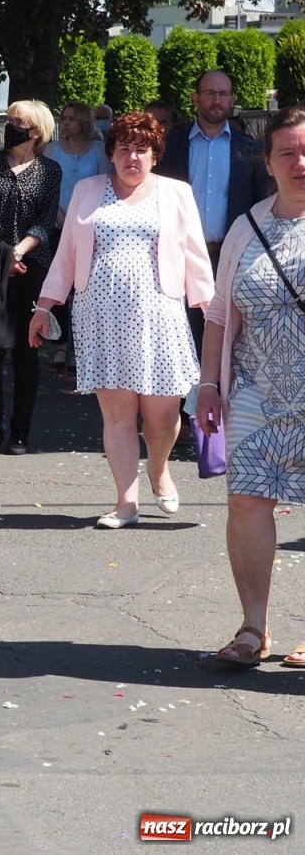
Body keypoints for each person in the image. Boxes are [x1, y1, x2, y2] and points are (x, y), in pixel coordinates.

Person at [31, 113, 211, 528]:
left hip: (160, 317)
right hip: (100, 317)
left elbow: (195, 257)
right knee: (117, 415)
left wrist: (212, 313)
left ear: (154, 155)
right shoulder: (87, 190)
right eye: (125, 148)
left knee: (162, 417)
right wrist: (44, 306)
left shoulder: (176, 193)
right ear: (111, 153)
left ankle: (159, 468)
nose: (133, 157)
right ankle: (125, 502)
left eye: (142, 149)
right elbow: (66, 256)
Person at [196, 107, 305, 666]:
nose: (299, 161)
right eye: (286, 151)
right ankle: (252, 628)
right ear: (267, 162)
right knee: (246, 504)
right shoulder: (246, 226)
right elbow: (218, 314)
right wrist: (209, 385)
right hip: (256, 392)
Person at [0, 101, 62, 455]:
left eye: (17, 122)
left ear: (36, 130)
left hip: (31, 265)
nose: (10, 126)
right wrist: (0, 253)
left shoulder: (49, 170)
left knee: (27, 349)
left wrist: (18, 253)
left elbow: (44, 219)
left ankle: (20, 431)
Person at [158, 69, 271, 344]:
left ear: (232, 100)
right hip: (179, 255)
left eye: (222, 94)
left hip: (230, 256)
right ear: (196, 98)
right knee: (181, 334)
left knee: (228, 335)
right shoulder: (170, 145)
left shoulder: (250, 148)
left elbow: (261, 205)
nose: (216, 100)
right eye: (210, 93)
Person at [47, 103, 112, 370]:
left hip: (90, 227)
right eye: (63, 118)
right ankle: (62, 344)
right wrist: (63, 220)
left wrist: (84, 221)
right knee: (60, 285)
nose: (66, 123)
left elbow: (106, 185)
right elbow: (45, 188)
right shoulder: (52, 150)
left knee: (84, 286)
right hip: (57, 224)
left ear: (84, 121)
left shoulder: (98, 150)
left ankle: (83, 346)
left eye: (72, 118)